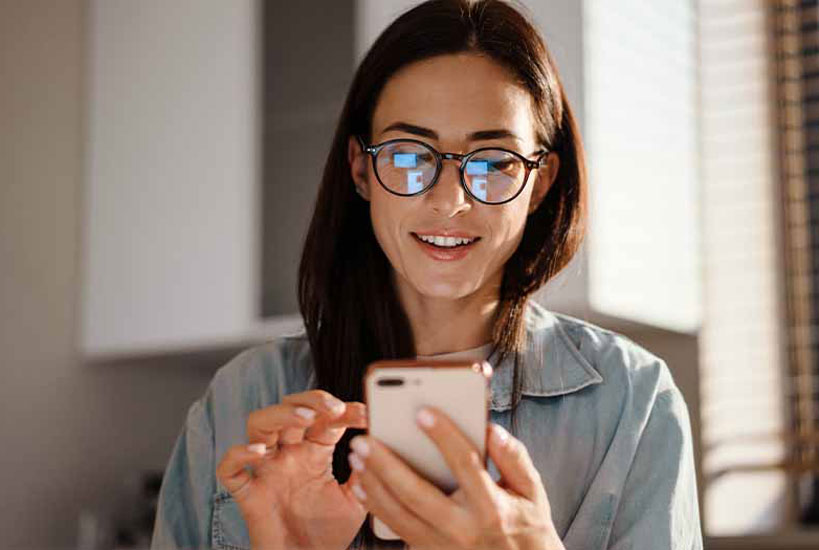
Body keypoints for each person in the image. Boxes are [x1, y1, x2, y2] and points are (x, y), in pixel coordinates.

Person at [151, 1, 703, 548]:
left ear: (539, 183)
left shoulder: (634, 402)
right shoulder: (241, 399)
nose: (450, 202)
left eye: (493, 162)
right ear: (361, 170)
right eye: (411, 155)